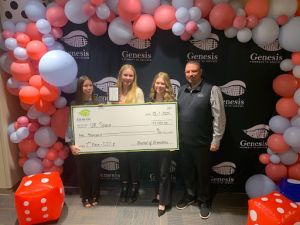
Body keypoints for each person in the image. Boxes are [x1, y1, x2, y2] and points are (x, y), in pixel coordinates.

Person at [176, 60, 226, 219]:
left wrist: (216, 139)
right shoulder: (181, 90)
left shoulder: (212, 90)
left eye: (194, 71)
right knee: (187, 172)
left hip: (203, 144)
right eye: (187, 72)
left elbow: (219, 117)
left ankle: (203, 201)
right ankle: (189, 196)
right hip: (183, 143)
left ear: (201, 72)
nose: (190, 74)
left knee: (203, 175)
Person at [66, 75, 101, 208]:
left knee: (95, 172)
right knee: (83, 172)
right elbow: (70, 126)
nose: (88, 88)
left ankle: (95, 195)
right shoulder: (75, 105)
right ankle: (85, 197)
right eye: (85, 86)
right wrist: (71, 145)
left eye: (90, 85)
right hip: (80, 146)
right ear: (80, 88)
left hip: (96, 146)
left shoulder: (98, 103)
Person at [116, 64, 145, 203]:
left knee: (134, 162)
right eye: (125, 75)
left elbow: (141, 115)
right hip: (120, 135)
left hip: (134, 135)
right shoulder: (114, 91)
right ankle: (124, 187)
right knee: (123, 162)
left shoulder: (138, 92)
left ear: (134, 77)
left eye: (130, 75)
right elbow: (110, 114)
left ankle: (134, 188)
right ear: (120, 76)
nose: (128, 78)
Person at [148, 72, 175, 217]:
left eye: (162, 83)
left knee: (164, 173)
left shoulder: (171, 102)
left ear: (167, 86)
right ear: (154, 84)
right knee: (157, 171)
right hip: (152, 143)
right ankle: (159, 195)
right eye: (157, 83)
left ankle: (163, 202)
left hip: (166, 143)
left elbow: (175, 124)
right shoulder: (149, 100)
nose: (159, 86)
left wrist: (173, 140)